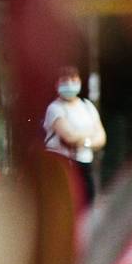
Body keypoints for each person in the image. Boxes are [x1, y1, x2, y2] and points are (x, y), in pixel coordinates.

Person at [43, 66, 106, 205]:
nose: (70, 84)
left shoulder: (87, 106)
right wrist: (90, 135)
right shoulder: (55, 108)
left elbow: (102, 137)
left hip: (84, 164)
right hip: (63, 165)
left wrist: (83, 141)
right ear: (57, 84)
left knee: (87, 205)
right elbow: (69, 138)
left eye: (73, 79)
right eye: (65, 80)